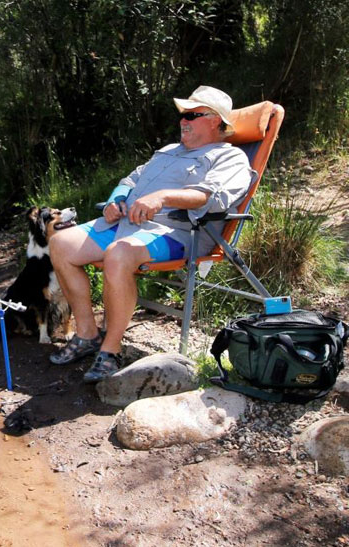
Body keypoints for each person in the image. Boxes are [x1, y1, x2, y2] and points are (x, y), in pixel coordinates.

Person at [47, 86, 256, 383]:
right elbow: (130, 180)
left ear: (214, 120)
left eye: (192, 114)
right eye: (183, 114)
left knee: (118, 254)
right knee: (61, 243)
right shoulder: (169, 151)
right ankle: (87, 334)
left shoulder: (229, 157)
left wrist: (162, 196)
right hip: (126, 224)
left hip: (178, 231)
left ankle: (110, 350)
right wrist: (115, 200)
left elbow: (211, 196)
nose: (183, 120)